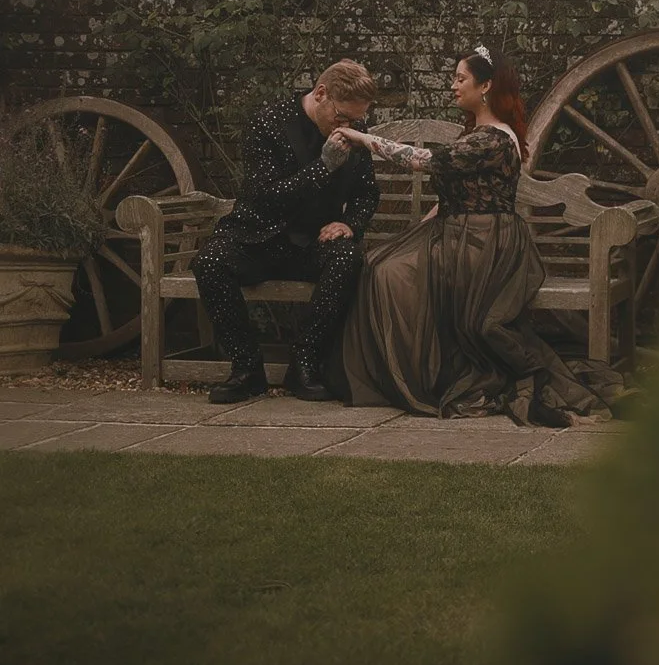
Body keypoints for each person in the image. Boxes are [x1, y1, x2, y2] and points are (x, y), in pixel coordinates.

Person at [326, 45, 633, 426]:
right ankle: (407, 373)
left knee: (391, 276)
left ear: (485, 86)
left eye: (460, 79)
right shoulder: (475, 133)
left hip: (486, 241)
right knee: (378, 265)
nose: (453, 86)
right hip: (457, 230)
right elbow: (457, 191)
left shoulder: (492, 140)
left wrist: (364, 139)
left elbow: (427, 161)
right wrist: (424, 227)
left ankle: (426, 377)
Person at [193, 59, 380, 404]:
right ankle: (247, 369)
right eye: (342, 118)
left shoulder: (353, 130)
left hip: (312, 243)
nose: (349, 126)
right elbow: (264, 198)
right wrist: (322, 167)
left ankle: (305, 363)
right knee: (210, 260)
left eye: (355, 120)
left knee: (347, 257)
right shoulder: (269, 123)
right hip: (258, 237)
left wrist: (350, 224)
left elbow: (367, 194)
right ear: (321, 94)